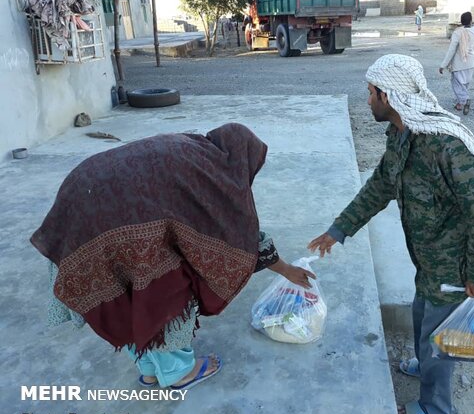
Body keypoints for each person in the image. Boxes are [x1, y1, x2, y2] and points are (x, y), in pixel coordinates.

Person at [31, 123, 315, 390]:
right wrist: (286, 269)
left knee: (127, 289)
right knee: (165, 283)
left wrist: (286, 268)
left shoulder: (194, 150)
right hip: (105, 212)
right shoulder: (214, 177)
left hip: (80, 198)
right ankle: (179, 372)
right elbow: (241, 238)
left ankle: (150, 366)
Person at [308, 55, 474, 414]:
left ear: (388, 95)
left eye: (370, 93)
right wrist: (338, 230)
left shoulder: (445, 146)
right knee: (421, 317)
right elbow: (380, 185)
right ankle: (424, 363)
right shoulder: (402, 135)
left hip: (454, 265)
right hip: (428, 260)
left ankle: (436, 409)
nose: (367, 100)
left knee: (437, 337)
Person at [439, 12, 474, 115]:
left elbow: (451, 50)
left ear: (461, 21)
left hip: (459, 62)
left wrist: (443, 65)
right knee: (465, 83)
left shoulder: (457, 33)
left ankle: (465, 100)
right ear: (470, 21)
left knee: (457, 84)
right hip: (470, 61)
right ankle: (460, 104)